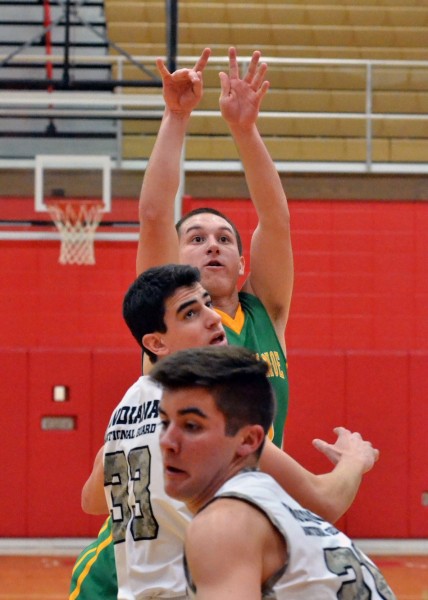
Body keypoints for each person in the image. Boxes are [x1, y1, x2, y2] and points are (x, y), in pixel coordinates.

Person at [71, 264, 379, 600]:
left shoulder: (127, 404)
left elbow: (92, 500)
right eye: (191, 313)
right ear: (156, 342)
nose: (213, 318)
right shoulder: (205, 403)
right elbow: (325, 501)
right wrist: (354, 460)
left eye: (207, 303)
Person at [137, 46, 292, 448]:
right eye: (196, 238)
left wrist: (245, 129)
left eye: (224, 239)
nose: (212, 246)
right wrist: (176, 116)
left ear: (242, 263)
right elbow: (155, 214)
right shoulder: (167, 317)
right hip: (190, 499)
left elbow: (275, 220)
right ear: (175, 258)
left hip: (253, 498)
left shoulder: (266, 310)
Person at [153, 346, 396, 600]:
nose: (167, 441)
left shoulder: (225, 523)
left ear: (248, 440)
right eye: (165, 423)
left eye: (192, 426)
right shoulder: (271, 503)